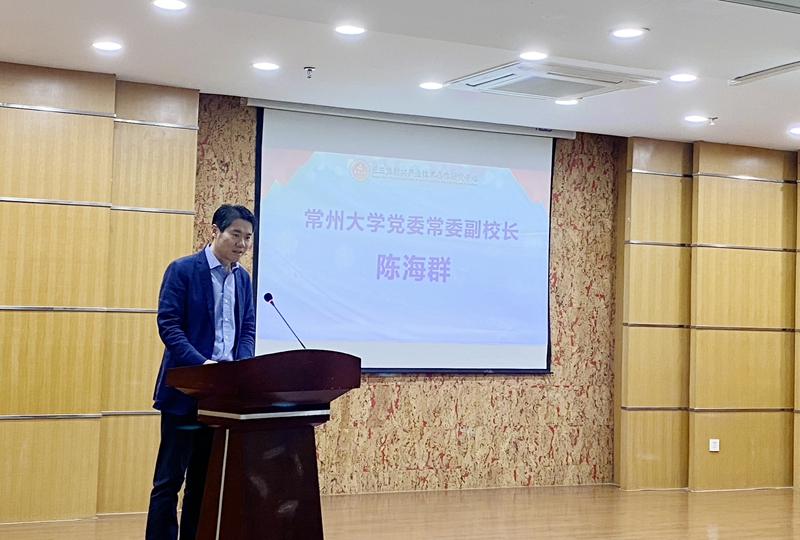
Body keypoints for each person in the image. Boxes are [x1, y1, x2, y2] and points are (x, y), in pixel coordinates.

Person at [145, 204, 257, 540]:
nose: (242, 244)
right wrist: (201, 366)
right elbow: (169, 325)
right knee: (169, 481)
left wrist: (241, 366)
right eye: (235, 234)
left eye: (247, 237)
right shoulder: (183, 270)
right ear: (215, 231)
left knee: (203, 482)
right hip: (186, 392)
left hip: (221, 398)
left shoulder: (242, 279)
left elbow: (247, 329)